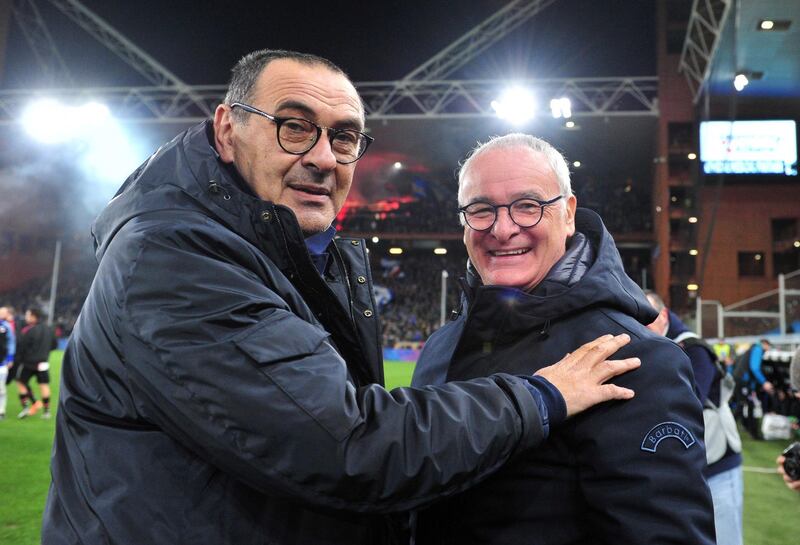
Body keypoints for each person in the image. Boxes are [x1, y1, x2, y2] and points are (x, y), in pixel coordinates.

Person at [41, 50, 640, 545]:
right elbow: (347, 446)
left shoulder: (283, 254)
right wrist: (541, 395)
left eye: (345, 136)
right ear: (228, 130)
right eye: (294, 126)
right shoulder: (174, 258)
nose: (323, 157)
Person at [411, 133, 715, 544]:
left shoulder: (633, 358)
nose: (503, 229)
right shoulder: (442, 344)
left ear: (568, 214)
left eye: (527, 206)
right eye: (481, 210)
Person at [645, 290, 743, 545]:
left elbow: (688, 405)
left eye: (648, 316)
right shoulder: (653, 347)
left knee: (726, 539)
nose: (642, 322)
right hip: (688, 468)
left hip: (718, 462)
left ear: (664, 314)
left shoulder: (694, 348)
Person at [15, 307, 54, 419]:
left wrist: (20, 359)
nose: (26, 317)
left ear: (33, 316)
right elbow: (54, 345)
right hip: (43, 362)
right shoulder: (49, 329)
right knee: (44, 385)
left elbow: (22, 347)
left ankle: (29, 406)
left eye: (27, 315)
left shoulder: (28, 330)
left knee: (21, 382)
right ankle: (46, 412)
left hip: (29, 362)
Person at [0, 308, 14, 420]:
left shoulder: (6, 327)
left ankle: (1, 410)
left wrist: (10, 358)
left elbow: (11, 342)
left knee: (1, 388)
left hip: (2, 362)